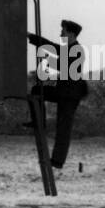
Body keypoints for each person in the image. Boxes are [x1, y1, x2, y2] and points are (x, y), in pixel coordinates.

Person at [29, 20, 88, 169]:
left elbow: (60, 60)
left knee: (64, 127)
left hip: (70, 94)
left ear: (71, 34)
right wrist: (33, 38)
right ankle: (38, 121)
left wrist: (45, 56)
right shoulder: (69, 48)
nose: (61, 34)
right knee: (36, 91)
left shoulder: (76, 49)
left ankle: (57, 161)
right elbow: (55, 52)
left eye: (63, 31)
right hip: (64, 92)